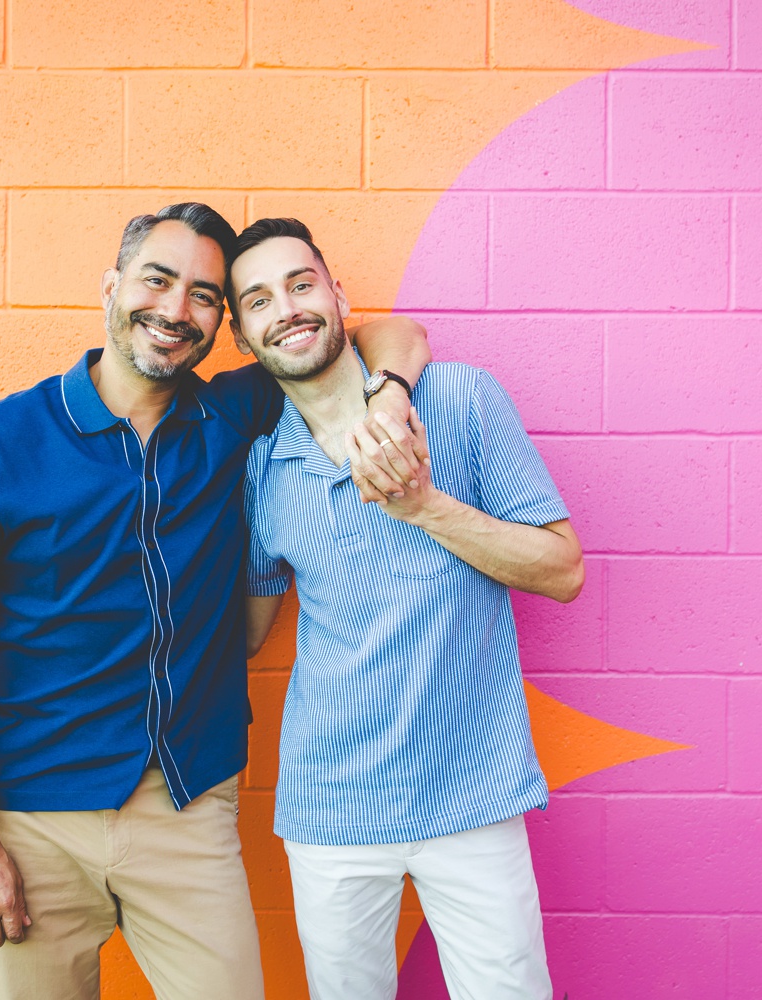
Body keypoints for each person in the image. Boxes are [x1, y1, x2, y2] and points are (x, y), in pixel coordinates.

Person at [0, 203, 430, 1000]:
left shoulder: (231, 414)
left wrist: (386, 397)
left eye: (204, 296)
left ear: (224, 323)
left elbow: (389, 334)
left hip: (187, 807)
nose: (176, 309)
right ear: (111, 287)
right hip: (32, 821)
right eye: (157, 280)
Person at [231, 218, 584, 1000]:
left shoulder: (461, 399)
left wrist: (423, 506)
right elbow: (248, 634)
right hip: (332, 809)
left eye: (300, 284)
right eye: (258, 300)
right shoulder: (263, 467)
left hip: (475, 795)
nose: (286, 308)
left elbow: (562, 571)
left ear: (337, 295)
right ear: (242, 336)